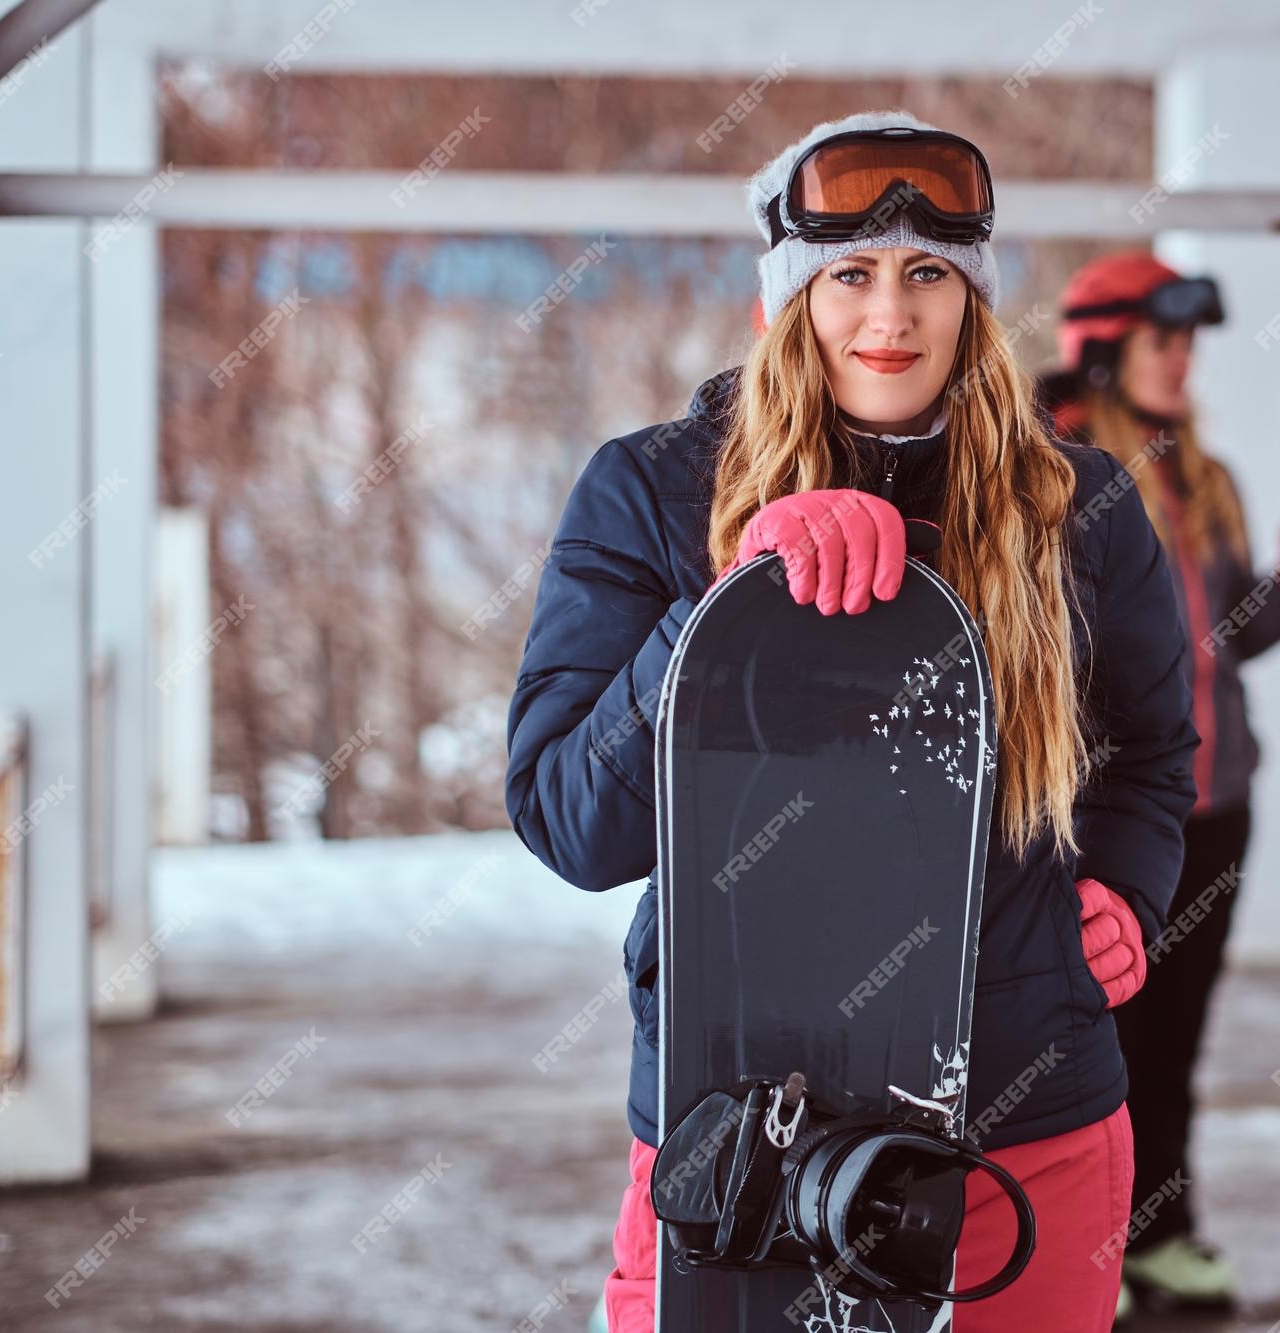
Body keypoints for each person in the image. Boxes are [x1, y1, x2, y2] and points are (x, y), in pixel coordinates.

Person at [505, 111, 1200, 1333]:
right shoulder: (653, 492)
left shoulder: (1076, 504)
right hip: (739, 1140)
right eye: (850, 276)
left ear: (973, 300)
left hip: (1026, 1125)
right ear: (783, 301)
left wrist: (1129, 894)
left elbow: (1148, 751)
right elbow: (569, 817)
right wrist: (727, 619)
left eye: (929, 274)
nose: (892, 317)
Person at [1042, 251, 1280, 1319]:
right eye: (1160, 342)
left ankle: (1159, 1233)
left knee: (1175, 1035)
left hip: (1213, 807)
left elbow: (1235, 635)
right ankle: (1085, 1246)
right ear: (1101, 352)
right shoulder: (1057, 474)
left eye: (1187, 344)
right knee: (1096, 1038)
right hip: (1098, 816)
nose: (1182, 362)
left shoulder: (1196, 474)